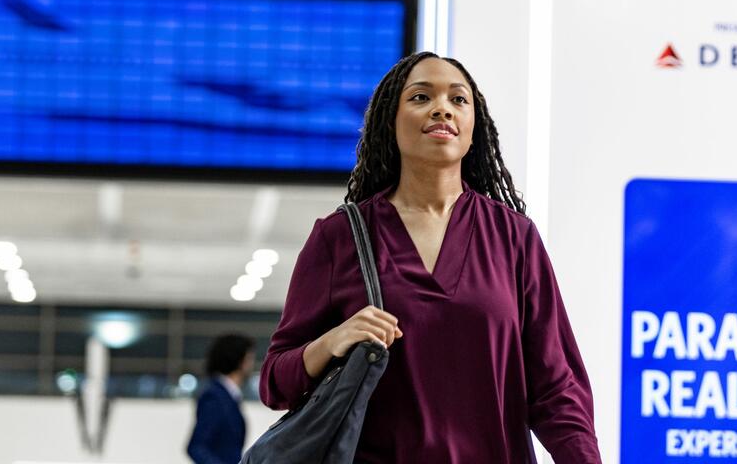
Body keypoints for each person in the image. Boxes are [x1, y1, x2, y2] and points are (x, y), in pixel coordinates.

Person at [260, 52, 602, 463]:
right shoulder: (339, 237)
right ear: (390, 121)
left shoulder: (515, 237)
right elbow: (275, 383)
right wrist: (333, 341)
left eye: (458, 99)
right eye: (421, 97)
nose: (442, 108)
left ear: (474, 128)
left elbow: (557, 389)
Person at [187, 333, 255, 464]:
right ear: (240, 361)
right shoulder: (215, 396)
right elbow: (197, 446)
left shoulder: (229, 395)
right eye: (249, 358)